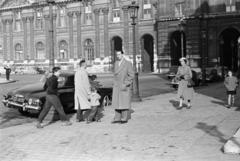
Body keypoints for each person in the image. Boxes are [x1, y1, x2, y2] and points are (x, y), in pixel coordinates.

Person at [111, 50, 134, 124]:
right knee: (117, 103)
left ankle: (124, 118)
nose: (118, 56)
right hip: (117, 86)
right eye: (117, 55)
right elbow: (115, 75)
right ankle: (117, 118)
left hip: (123, 86)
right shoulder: (116, 63)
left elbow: (131, 75)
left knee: (124, 103)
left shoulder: (128, 63)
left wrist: (126, 84)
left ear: (123, 54)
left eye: (119, 54)